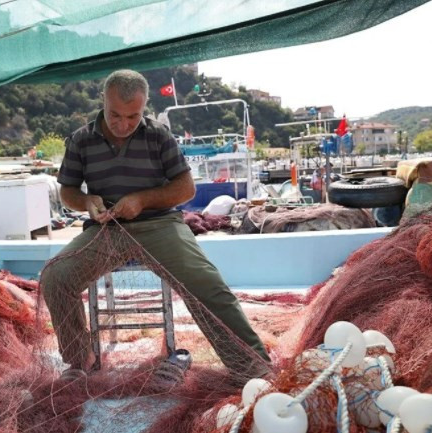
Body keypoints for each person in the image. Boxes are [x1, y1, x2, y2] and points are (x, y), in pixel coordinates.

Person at [40, 69, 270, 382]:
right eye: (114, 115)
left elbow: (186, 189)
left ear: (144, 107)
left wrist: (143, 200)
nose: (122, 125)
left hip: (160, 225)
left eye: (132, 117)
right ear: (103, 103)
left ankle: (252, 366)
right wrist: (88, 202)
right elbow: (68, 191)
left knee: (205, 282)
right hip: (106, 230)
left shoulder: (159, 135)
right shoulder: (81, 140)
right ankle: (79, 361)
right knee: (56, 276)